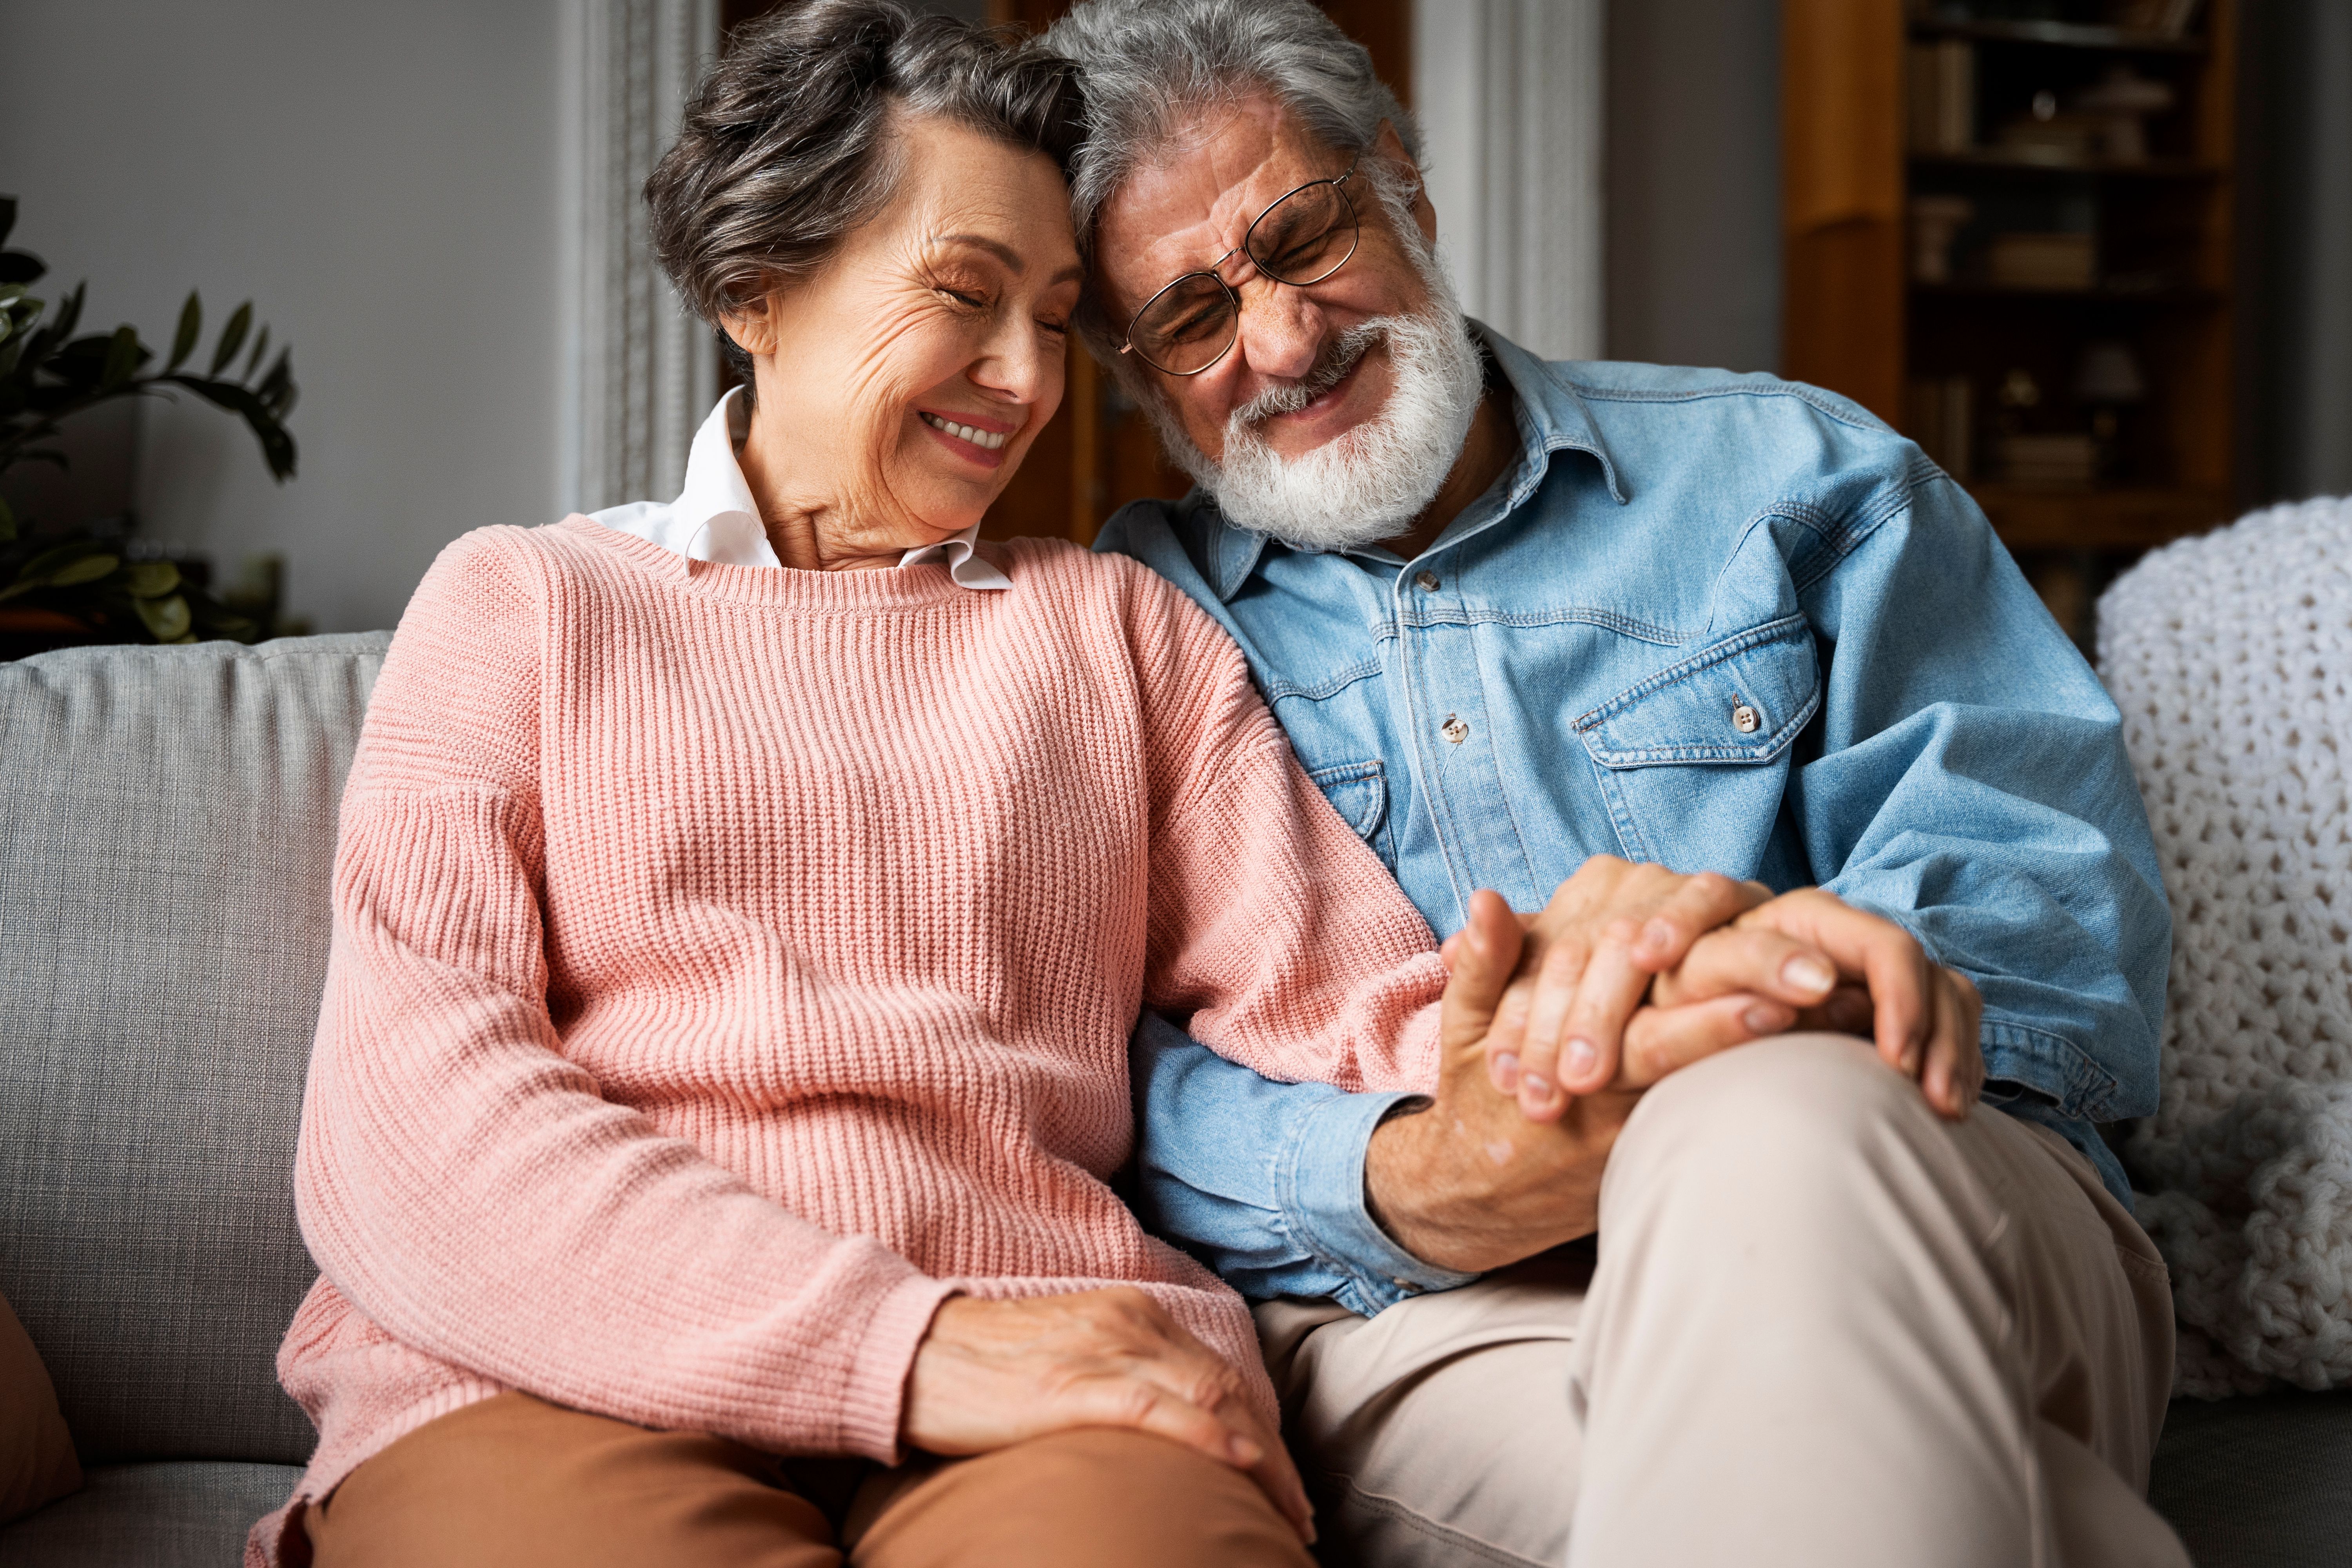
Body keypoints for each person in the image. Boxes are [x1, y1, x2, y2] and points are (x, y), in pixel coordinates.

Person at [241, 6, 1670, 1564]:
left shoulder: (1116, 629)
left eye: (1054, 315)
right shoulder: (523, 604)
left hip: (1065, 1354)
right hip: (555, 1373)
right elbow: (412, 1123)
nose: (1021, 377)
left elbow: (1347, 1007)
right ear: (755, 289)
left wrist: (1605, 1032)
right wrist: (906, 1345)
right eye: (964, 297)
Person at [1045, 2, 2190, 1564]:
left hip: (1925, 1184)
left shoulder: (1799, 474)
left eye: (1305, 234)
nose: (1284, 339)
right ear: (1133, 370)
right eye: (1191, 317)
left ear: (1403, 187)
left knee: (1764, 1124)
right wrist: (1407, 1179)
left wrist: (1756, 996)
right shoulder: (1121, 626)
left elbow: (2057, 917)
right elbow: (1082, 1074)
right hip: (1438, 1311)